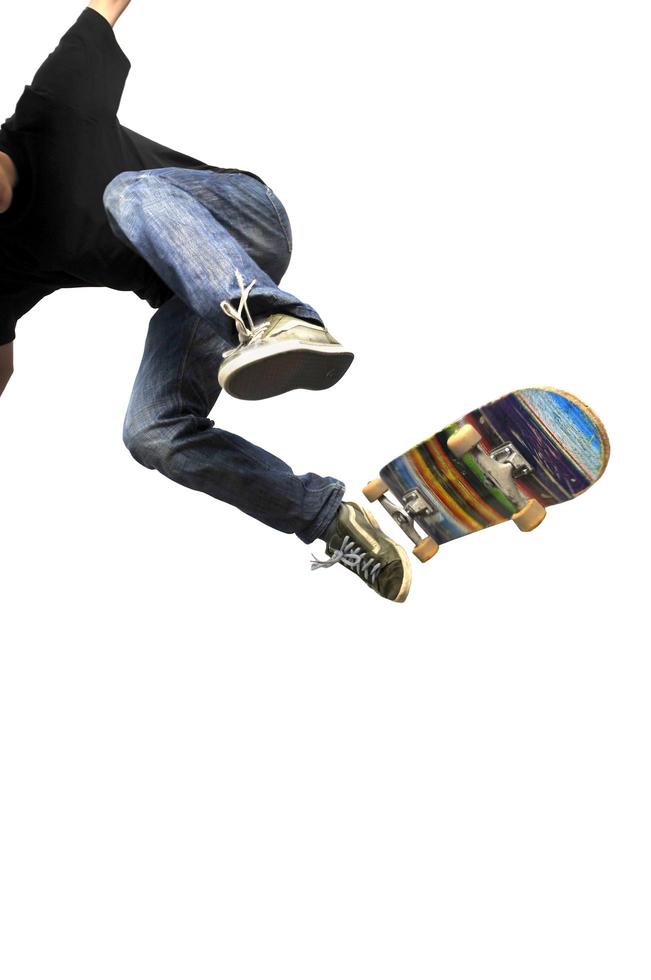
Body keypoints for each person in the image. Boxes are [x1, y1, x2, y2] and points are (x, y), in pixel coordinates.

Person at [0, 1, 412, 602]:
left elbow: (105, 6)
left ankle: (279, 320)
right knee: (151, 433)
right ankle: (330, 522)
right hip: (194, 303)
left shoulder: (52, 107)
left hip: (245, 220)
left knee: (128, 193)